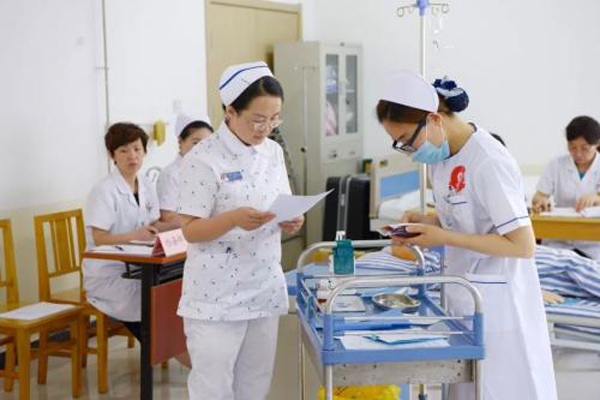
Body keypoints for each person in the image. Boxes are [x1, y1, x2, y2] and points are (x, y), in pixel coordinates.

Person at [376, 71, 557, 400]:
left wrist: (442, 237)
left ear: (434, 119)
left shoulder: (488, 161)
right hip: (465, 297)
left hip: (501, 307)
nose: (408, 150)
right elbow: (467, 218)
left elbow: (522, 245)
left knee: (497, 390)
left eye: (406, 139)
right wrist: (425, 223)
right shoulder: (442, 158)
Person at [176, 61, 304, 400]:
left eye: (274, 119)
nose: (266, 128)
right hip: (215, 298)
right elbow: (190, 230)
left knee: (255, 385)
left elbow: (281, 203)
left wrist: (291, 219)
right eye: (258, 119)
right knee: (213, 389)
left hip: (262, 286)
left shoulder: (273, 152)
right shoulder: (202, 159)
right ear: (230, 111)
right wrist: (232, 219)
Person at [83, 123, 177, 339]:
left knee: (171, 289)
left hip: (139, 267)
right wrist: (135, 236)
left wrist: (181, 224)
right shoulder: (104, 190)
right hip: (110, 273)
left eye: (137, 149)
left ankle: (168, 347)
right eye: (123, 150)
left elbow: (152, 225)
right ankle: (156, 349)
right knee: (150, 305)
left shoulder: (146, 183)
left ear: (144, 151)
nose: (132, 156)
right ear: (112, 155)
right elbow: (98, 239)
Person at [532, 115, 600, 259]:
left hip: (594, 244)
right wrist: (541, 201)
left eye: (585, 148)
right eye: (572, 147)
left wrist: (596, 198)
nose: (578, 154)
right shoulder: (556, 164)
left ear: (597, 143)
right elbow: (539, 196)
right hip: (558, 241)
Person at [156, 113, 213, 225]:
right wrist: (206, 222)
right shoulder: (171, 174)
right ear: (180, 141)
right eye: (195, 142)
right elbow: (166, 216)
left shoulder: (210, 171)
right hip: (184, 233)